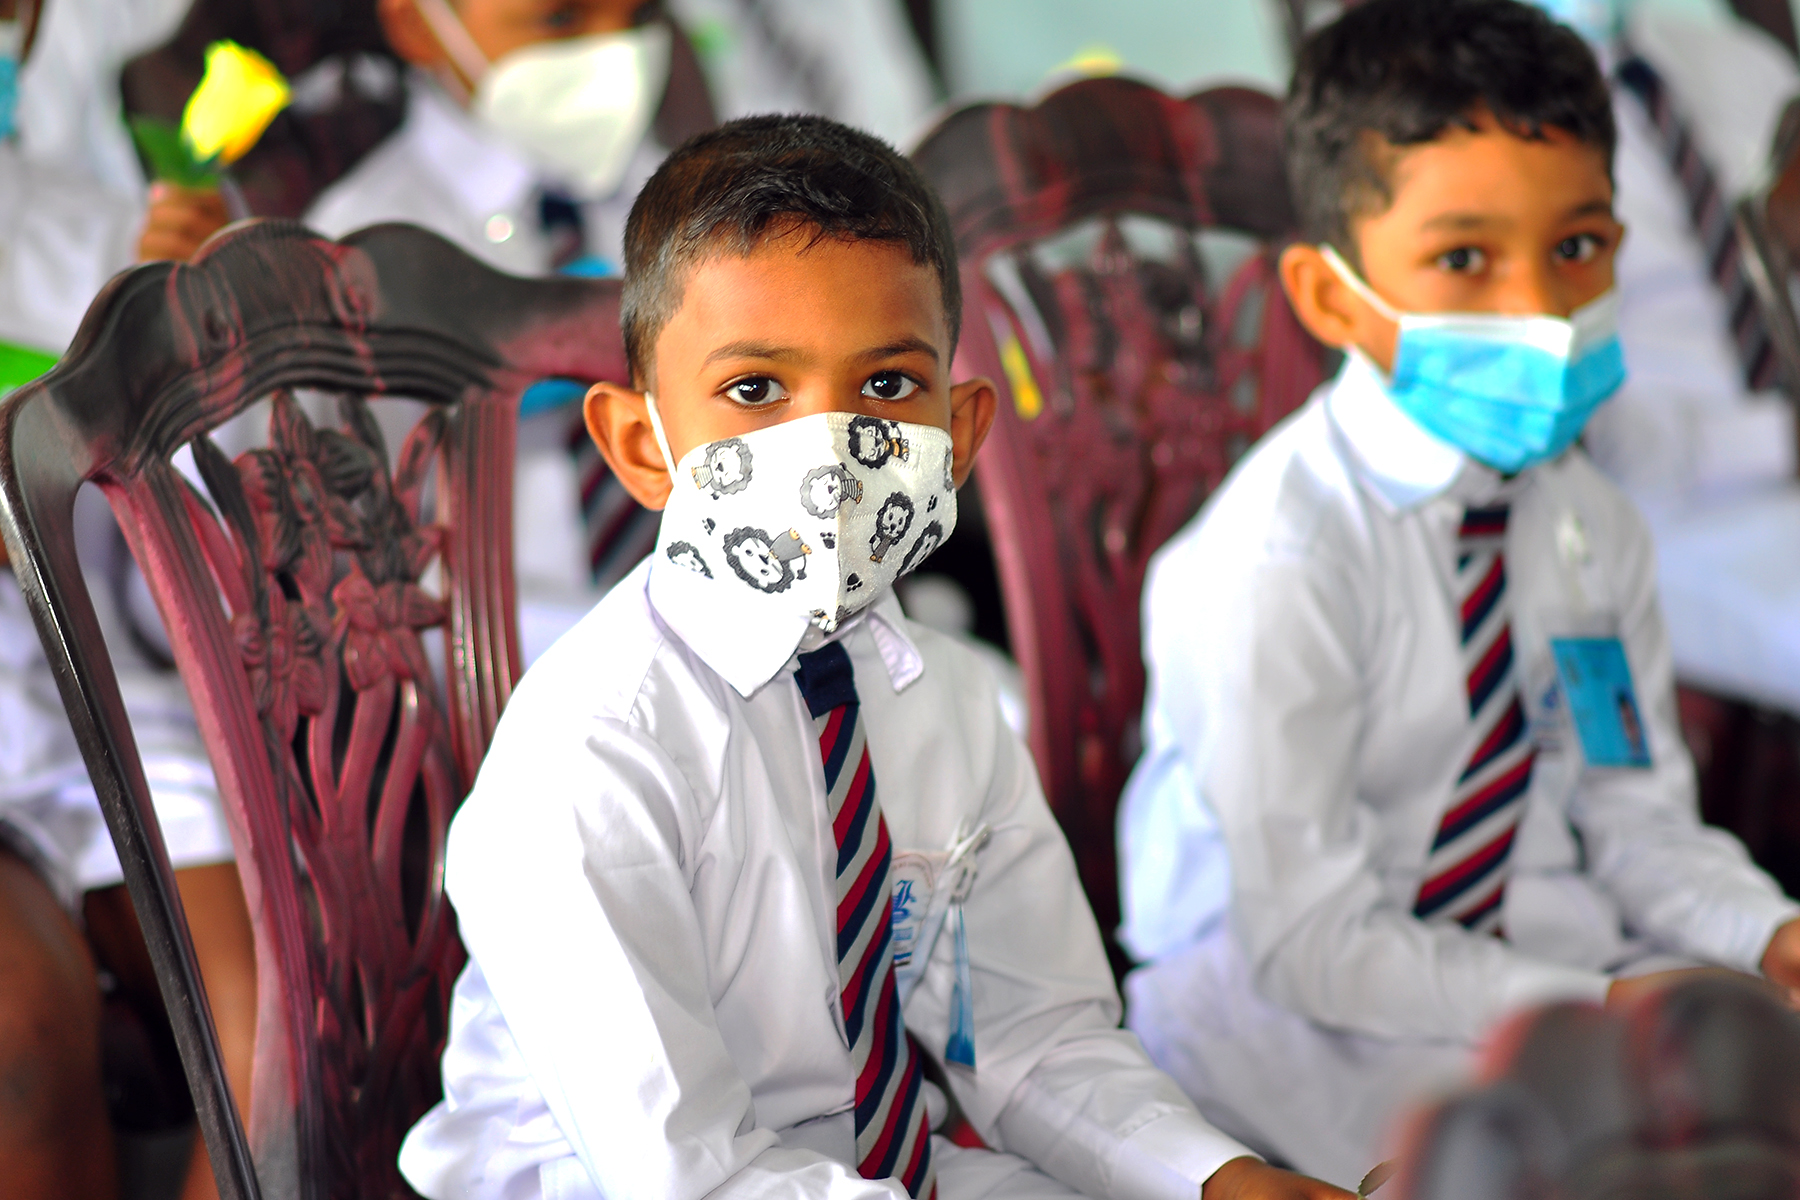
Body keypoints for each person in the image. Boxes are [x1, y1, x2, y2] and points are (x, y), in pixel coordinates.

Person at [394, 114, 1348, 1200]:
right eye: (755, 390)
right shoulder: (595, 751)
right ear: (639, 445)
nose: (830, 450)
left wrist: (1220, 1180)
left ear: (962, 434)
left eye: (888, 386)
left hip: (883, 1169)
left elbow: (1034, 1043)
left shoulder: (949, 698)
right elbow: (685, 1174)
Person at [1114, 0, 1800, 1188]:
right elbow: (1311, 945)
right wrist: (1599, 1005)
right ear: (1333, 299)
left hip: (1542, 949)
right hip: (1290, 1014)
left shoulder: (1588, 524)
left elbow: (1639, 827)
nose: (1540, 307)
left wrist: (1769, 933)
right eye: (1465, 260)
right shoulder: (1278, 562)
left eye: (1577, 248)